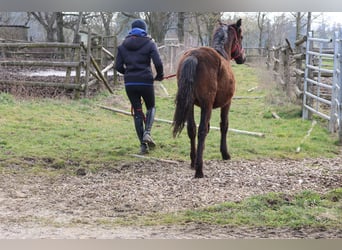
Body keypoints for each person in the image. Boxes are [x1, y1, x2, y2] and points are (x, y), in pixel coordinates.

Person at [115, 19, 164, 155]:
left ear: (131, 30)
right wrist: (159, 75)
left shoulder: (122, 45)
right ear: (144, 30)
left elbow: (118, 66)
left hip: (130, 83)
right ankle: (147, 133)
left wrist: (129, 74)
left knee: (137, 112)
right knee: (151, 107)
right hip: (146, 81)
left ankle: (143, 146)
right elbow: (158, 63)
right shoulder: (149, 43)